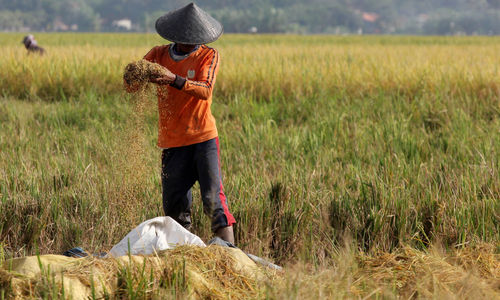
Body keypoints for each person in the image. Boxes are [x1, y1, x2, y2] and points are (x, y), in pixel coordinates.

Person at [125, 3, 236, 244]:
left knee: (214, 202)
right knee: (174, 208)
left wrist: (173, 79)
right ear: (174, 36)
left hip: (203, 139)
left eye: (193, 39)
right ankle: (181, 255)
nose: (189, 43)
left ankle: (230, 253)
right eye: (184, 38)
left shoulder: (208, 55)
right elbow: (133, 85)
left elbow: (205, 91)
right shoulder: (158, 55)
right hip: (172, 143)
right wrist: (132, 76)